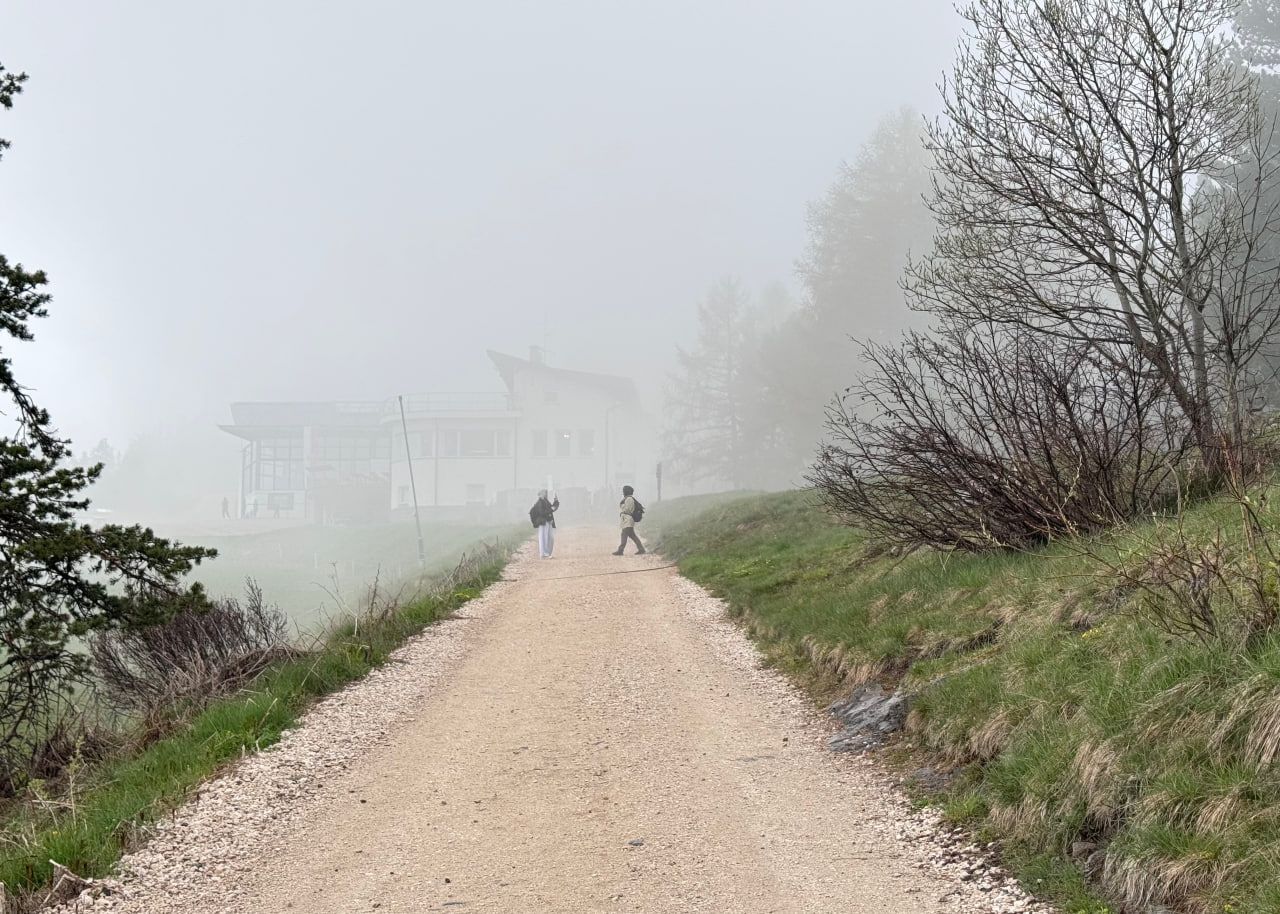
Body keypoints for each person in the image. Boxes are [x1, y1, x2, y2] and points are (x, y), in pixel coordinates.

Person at [614, 485, 645, 556]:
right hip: (627, 519)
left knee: (624, 534)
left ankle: (620, 550)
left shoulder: (629, 499)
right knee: (633, 536)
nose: (623, 492)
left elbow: (627, 509)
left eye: (624, 491)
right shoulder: (627, 498)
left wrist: (622, 505)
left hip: (628, 519)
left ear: (626, 491)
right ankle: (641, 549)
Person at [530, 489, 559, 558]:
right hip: (543, 522)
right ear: (540, 494)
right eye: (544, 493)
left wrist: (556, 501)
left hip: (548, 521)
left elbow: (552, 508)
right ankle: (544, 554)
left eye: (546, 493)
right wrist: (551, 509)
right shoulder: (539, 502)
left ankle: (547, 553)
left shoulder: (545, 501)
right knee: (543, 538)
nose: (546, 494)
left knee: (550, 538)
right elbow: (542, 513)